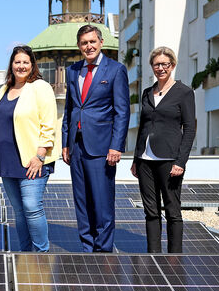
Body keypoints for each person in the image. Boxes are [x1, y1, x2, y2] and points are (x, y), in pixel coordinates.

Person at [61, 24, 130, 252]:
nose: (88, 46)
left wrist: (116, 146)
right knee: (82, 201)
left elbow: (122, 111)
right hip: (76, 146)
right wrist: (65, 143)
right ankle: (87, 248)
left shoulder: (115, 70)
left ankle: (103, 250)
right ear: (79, 46)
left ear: (101, 42)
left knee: (102, 202)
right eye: (83, 43)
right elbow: (70, 109)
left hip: (102, 147)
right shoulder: (73, 71)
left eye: (92, 41)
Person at [0, 45, 60, 252]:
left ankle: (41, 253)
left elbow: (49, 124)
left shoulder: (40, 87)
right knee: (19, 211)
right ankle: (26, 254)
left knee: (32, 208)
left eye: (25, 62)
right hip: (7, 162)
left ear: (32, 65)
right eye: (17, 62)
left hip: (32, 161)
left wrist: (40, 155)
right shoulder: (4, 90)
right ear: (11, 64)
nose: (21, 66)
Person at [131, 46, 197, 253]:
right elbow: (143, 127)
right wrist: (135, 159)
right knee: (151, 211)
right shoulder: (147, 93)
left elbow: (190, 128)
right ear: (152, 66)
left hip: (170, 159)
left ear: (173, 65)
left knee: (172, 210)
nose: (160, 68)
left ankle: (174, 257)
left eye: (164, 64)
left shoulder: (184, 92)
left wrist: (180, 162)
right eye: (156, 64)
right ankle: (154, 256)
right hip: (145, 160)